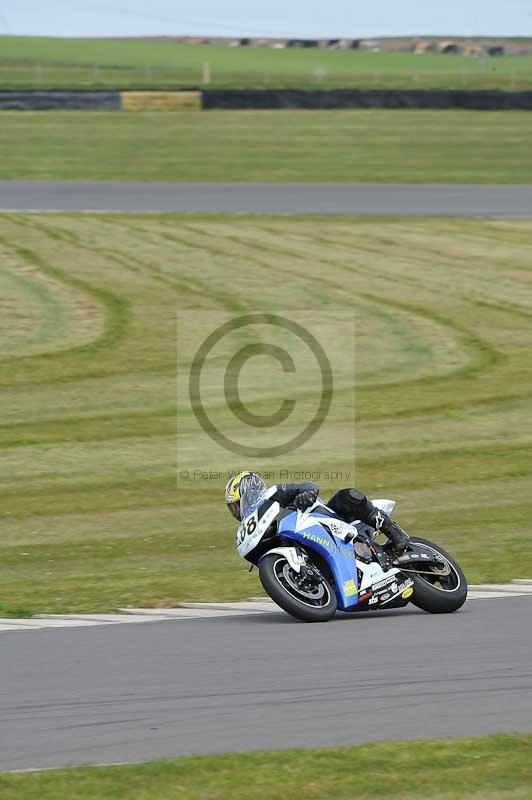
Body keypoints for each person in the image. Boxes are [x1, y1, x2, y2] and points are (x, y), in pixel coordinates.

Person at [225, 471, 409, 553]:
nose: (237, 511)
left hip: (330, 520)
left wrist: (306, 495)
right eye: (233, 508)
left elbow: (309, 486)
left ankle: (393, 531)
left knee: (348, 495)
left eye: (238, 504)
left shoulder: (274, 494)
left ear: (251, 491)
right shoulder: (257, 527)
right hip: (309, 540)